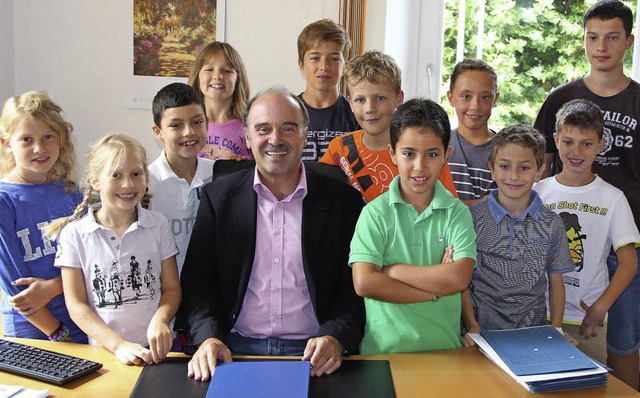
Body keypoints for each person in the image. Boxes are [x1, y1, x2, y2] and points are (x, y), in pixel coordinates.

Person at [179, 87, 365, 381]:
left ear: (305, 135)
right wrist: (207, 338)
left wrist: (336, 336)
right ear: (248, 138)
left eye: (288, 128)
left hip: (315, 354)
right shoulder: (218, 199)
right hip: (231, 350)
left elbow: (354, 286)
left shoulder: (343, 202)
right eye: (263, 129)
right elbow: (199, 283)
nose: (275, 139)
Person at [533, 1, 640, 389]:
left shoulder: (638, 100)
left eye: (612, 37)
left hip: (627, 236)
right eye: (593, 37)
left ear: (628, 41)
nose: (602, 46)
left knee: (624, 345)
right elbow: (540, 167)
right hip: (565, 238)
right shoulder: (560, 98)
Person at [349, 98, 477, 354]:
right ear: (392, 154)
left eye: (431, 154)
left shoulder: (457, 213)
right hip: (383, 355)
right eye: (409, 154)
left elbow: (458, 277)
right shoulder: (374, 214)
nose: (419, 166)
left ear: (445, 156)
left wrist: (392, 271)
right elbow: (364, 283)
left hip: (446, 354)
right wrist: (432, 293)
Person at [52, 134, 181, 365]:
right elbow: (77, 305)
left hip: (160, 352)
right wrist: (118, 345)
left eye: (136, 174)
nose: (128, 184)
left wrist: (161, 320)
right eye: (116, 175)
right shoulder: (75, 235)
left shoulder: (158, 224)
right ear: (95, 180)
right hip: (107, 354)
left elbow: (171, 289)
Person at [461, 125, 574, 343]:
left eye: (524, 168)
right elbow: (462, 281)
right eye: (504, 166)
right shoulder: (472, 218)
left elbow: (556, 281)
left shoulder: (552, 223)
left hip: (532, 333)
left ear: (539, 171)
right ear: (492, 169)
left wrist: (556, 328)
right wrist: (471, 326)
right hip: (480, 334)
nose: (513, 176)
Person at [0, 91, 86, 343]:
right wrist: (58, 333)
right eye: (26, 139)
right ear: (7, 143)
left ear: (61, 139)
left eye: (48, 136)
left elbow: (92, 263)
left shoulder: (72, 194)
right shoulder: (5, 200)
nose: (39, 148)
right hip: (34, 330)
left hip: (81, 317)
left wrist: (52, 287)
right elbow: (17, 291)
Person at [320, 50, 459, 203]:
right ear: (350, 103)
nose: (370, 108)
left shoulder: (422, 152)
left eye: (380, 98)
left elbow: (450, 209)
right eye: (360, 100)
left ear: (398, 98)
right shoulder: (339, 148)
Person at [148, 82, 214, 274]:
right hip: (161, 293)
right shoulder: (145, 184)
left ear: (207, 123)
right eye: (176, 125)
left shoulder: (219, 175)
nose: (189, 132)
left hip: (207, 294)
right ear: (158, 132)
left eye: (197, 122)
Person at [297, 19, 359, 161]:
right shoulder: (288, 112)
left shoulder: (356, 113)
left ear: (345, 65)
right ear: (301, 65)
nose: (324, 66)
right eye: (315, 58)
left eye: (334, 59)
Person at [446, 58, 499, 204]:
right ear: (451, 98)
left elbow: (505, 208)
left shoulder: (506, 150)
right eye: (466, 96)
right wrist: (481, 203)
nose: (475, 105)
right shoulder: (439, 147)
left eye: (485, 97)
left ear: (495, 99)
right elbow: (432, 206)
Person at [188, 41, 252, 160]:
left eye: (227, 71)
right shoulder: (186, 125)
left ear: (238, 79)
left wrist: (246, 166)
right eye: (209, 69)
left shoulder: (250, 126)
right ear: (197, 76)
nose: (217, 76)